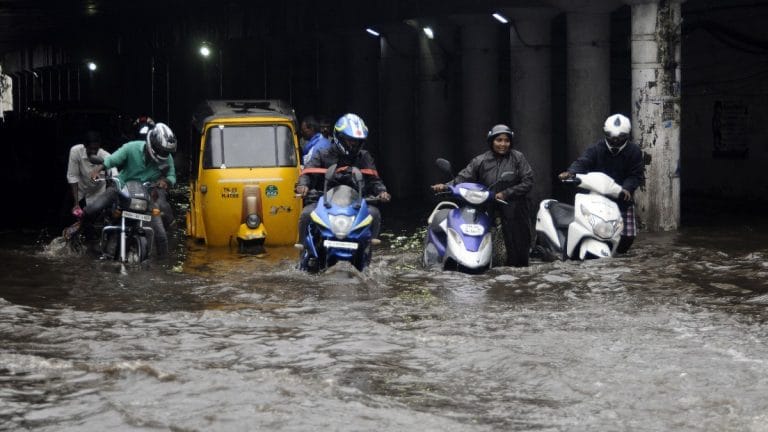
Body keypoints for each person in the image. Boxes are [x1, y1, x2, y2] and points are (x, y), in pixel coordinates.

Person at [431, 124, 534, 267]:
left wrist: (506, 193)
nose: (503, 144)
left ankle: (519, 276)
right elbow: (463, 178)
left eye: (506, 140)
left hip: (514, 207)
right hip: (488, 205)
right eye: (499, 140)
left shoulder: (518, 158)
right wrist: (446, 186)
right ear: (492, 141)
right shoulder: (481, 160)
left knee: (518, 250)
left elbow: (528, 181)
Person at [295, 113, 391, 245]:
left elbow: (374, 180)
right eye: (350, 140)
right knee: (306, 214)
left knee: (374, 213)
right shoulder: (322, 153)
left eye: (357, 140)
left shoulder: (364, 156)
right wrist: (303, 185)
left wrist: (381, 192)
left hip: (355, 203)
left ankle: (367, 250)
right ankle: (304, 250)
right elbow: (307, 173)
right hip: (325, 202)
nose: (354, 144)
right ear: (339, 137)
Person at [558, 113, 644, 254]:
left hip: (622, 198)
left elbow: (635, 175)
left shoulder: (634, 151)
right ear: (605, 134)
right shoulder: (596, 148)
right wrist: (571, 172)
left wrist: (627, 188)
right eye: (611, 136)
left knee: (627, 237)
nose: (615, 141)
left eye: (620, 137)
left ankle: (619, 257)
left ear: (626, 136)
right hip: (598, 199)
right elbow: (583, 161)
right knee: (590, 229)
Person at [87, 122, 178, 256]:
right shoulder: (131, 148)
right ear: (152, 144)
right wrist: (98, 169)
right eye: (162, 150)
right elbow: (112, 160)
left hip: (146, 196)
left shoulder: (166, 158)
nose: (164, 154)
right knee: (92, 209)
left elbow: (172, 176)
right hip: (121, 188)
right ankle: (87, 239)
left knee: (161, 235)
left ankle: (162, 269)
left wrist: (166, 181)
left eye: (166, 152)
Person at [64, 130, 118, 240]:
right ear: (85, 146)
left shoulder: (106, 156)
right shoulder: (76, 151)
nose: (93, 151)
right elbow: (73, 176)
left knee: (93, 226)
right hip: (79, 191)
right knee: (68, 220)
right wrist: (76, 203)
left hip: (97, 194)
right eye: (90, 149)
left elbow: (115, 175)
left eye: (96, 149)